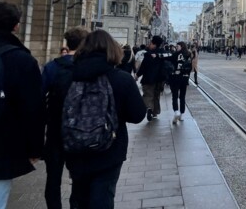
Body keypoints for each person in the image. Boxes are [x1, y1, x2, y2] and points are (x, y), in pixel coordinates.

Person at [63, 29, 146, 209]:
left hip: (74, 148)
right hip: (109, 149)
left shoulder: (67, 76)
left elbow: (55, 113)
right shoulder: (122, 79)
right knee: (103, 196)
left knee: (79, 194)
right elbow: (138, 115)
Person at [0, 0, 44, 209]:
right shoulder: (21, 60)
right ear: (16, 26)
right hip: (0, 147)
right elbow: (32, 110)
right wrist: (34, 149)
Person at [42, 26, 88, 209]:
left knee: (52, 179)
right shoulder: (88, 68)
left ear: (66, 44)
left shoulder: (52, 67)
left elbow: (38, 99)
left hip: (55, 131)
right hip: (81, 133)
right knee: (80, 179)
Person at [136, 35, 165, 121]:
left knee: (148, 95)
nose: (149, 44)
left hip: (148, 78)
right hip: (159, 79)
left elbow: (143, 67)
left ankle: (149, 108)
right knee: (156, 95)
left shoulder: (148, 54)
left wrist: (137, 75)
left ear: (154, 44)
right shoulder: (163, 54)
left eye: (151, 43)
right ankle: (155, 112)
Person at [169, 42, 192, 124]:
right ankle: (182, 114)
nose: (176, 47)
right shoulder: (189, 54)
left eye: (177, 46)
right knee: (182, 97)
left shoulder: (175, 54)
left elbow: (167, 59)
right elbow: (190, 67)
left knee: (174, 96)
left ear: (181, 46)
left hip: (176, 77)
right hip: (185, 78)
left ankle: (176, 111)